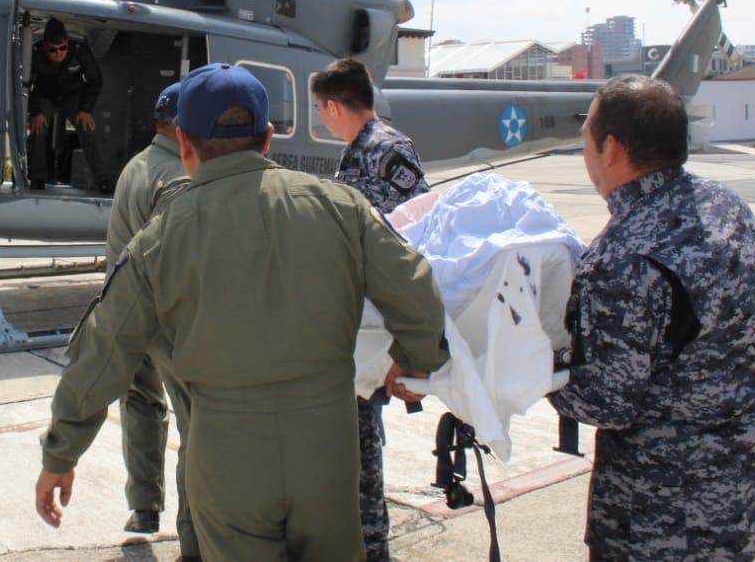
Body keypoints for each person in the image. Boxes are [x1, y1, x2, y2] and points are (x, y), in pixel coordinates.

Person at [36, 63, 449, 561]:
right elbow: (417, 291)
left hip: (227, 455)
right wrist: (415, 356)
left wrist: (63, 451)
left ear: (184, 143)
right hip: (327, 449)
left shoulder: (160, 239)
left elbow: (104, 349)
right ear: (269, 138)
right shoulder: (340, 207)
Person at [548, 74, 755, 560]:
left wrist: (529, 365)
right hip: (743, 482)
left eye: (586, 132)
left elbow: (605, 402)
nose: (583, 144)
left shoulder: (624, 255)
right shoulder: (728, 207)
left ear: (611, 147)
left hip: (660, 510)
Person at [312, 57, 430, 562]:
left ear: (336, 106)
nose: (321, 120)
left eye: (321, 110)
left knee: (360, 448)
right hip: (360, 323)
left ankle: (371, 546)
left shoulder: (386, 150)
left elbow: (422, 238)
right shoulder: (360, 151)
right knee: (351, 442)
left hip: (376, 326)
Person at [97, 81, 197, 557]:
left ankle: (143, 506)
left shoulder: (137, 166)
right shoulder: (178, 177)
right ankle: (193, 534)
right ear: (183, 125)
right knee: (195, 418)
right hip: (162, 317)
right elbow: (178, 263)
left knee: (140, 402)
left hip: (123, 309)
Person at [27, 17, 109, 192]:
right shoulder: (34, 54)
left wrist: (85, 109)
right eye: (53, 50)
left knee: (87, 129)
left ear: (68, 44)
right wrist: (35, 111)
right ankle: (37, 178)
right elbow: (27, 84)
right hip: (45, 96)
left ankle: (102, 179)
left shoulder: (80, 52)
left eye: (63, 48)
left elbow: (95, 81)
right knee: (38, 128)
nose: (58, 53)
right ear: (44, 47)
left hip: (73, 97)